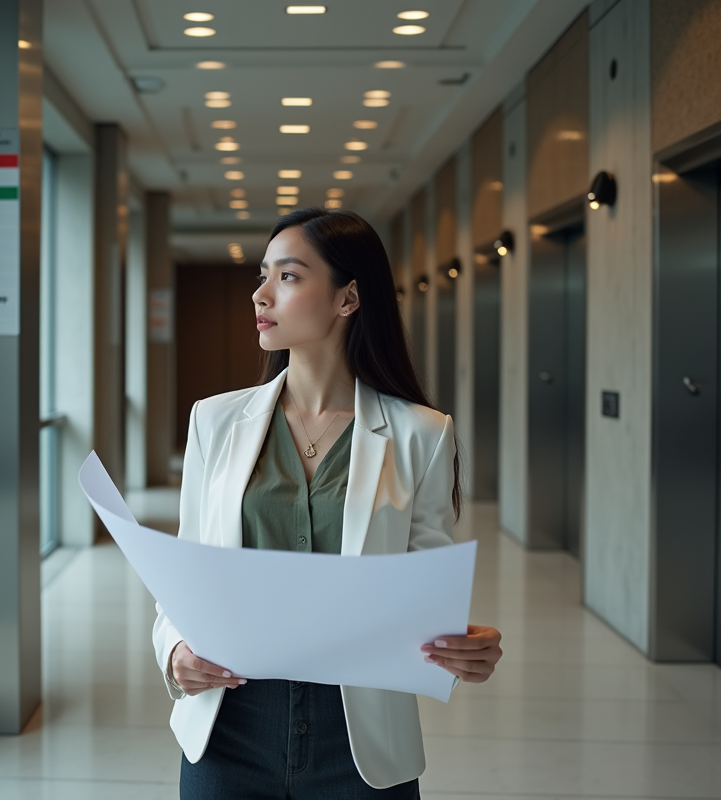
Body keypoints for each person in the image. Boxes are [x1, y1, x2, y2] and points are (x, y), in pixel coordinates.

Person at [152, 207, 503, 798]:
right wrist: (174, 651)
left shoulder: (422, 434)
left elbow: (424, 597)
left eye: (288, 277)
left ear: (347, 298)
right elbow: (183, 578)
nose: (261, 294)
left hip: (360, 745)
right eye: (263, 275)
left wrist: (465, 647)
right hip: (229, 729)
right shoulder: (215, 421)